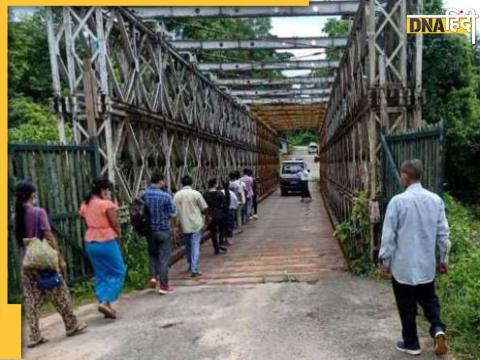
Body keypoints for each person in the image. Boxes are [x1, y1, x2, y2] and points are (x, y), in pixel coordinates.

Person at [379, 159, 451, 357]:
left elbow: (389, 236)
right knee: (430, 301)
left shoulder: (398, 202)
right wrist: (443, 259)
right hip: (426, 267)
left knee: (406, 305)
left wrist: (385, 262)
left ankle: (411, 343)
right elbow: (444, 235)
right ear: (420, 176)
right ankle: (437, 329)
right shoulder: (436, 200)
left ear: (405, 177)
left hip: (403, 267)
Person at [14, 180, 87, 348]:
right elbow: (48, 235)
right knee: (61, 292)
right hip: (43, 261)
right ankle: (71, 325)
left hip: (27, 264)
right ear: (30, 194)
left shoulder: (16, 216)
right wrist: (59, 257)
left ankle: (33, 335)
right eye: (34, 192)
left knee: (32, 301)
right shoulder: (38, 212)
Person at [79, 178, 125, 319]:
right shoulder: (106, 204)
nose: (110, 192)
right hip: (106, 240)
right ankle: (106, 301)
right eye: (108, 189)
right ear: (103, 190)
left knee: (101, 274)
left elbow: (84, 217)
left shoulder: (85, 204)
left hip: (90, 241)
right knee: (119, 271)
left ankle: (105, 304)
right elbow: (115, 223)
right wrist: (119, 236)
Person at [143, 172, 176, 294]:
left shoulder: (143, 194)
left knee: (152, 255)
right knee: (164, 258)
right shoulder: (166, 196)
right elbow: (173, 212)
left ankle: (152, 277)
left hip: (149, 231)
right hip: (163, 230)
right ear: (161, 181)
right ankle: (163, 286)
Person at [174, 175, 208, 278]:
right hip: (196, 224)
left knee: (188, 247)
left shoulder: (177, 195)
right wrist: (206, 218)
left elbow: (174, 212)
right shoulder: (196, 194)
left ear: (181, 183)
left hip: (184, 225)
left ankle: (191, 265)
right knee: (195, 246)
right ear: (192, 183)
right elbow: (204, 207)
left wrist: (175, 225)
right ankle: (194, 269)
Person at [204, 178, 228, 255]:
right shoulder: (220, 193)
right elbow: (224, 203)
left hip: (210, 215)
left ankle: (216, 248)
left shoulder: (205, 194)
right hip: (219, 214)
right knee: (221, 229)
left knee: (213, 232)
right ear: (215, 184)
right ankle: (221, 242)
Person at [222, 179, 237, 246]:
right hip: (230, 211)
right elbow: (235, 201)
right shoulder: (231, 193)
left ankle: (222, 240)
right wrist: (234, 207)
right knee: (229, 225)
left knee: (223, 227)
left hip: (222, 211)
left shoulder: (220, 192)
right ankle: (227, 239)